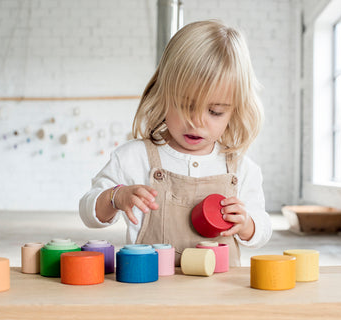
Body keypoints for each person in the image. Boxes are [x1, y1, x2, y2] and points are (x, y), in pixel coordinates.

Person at [79, 20, 272, 266]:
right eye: (186, 105)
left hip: (218, 296)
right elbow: (88, 213)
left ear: (235, 111)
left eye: (214, 111)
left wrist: (247, 225)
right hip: (152, 291)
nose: (196, 122)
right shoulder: (133, 158)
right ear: (163, 94)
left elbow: (263, 231)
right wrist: (115, 197)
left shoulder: (241, 169)